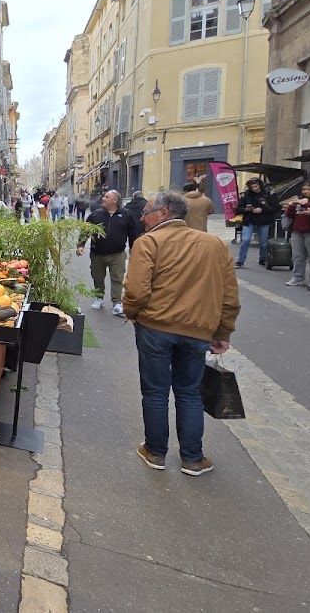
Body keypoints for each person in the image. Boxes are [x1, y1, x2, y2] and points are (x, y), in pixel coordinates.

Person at [124, 191, 238, 476]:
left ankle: (155, 451)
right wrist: (223, 331)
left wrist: (131, 313)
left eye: (147, 211)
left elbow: (136, 291)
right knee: (189, 394)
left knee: (155, 392)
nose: (141, 217)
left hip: (155, 328)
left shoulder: (148, 242)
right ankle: (192, 458)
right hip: (198, 331)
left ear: (163, 214)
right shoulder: (214, 245)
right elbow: (229, 295)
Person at [77, 190, 139, 316]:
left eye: (107, 197)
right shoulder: (95, 215)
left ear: (115, 200)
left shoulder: (126, 215)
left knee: (117, 278)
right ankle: (99, 298)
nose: (103, 198)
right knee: (97, 276)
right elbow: (86, 231)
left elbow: (132, 234)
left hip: (118, 254)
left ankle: (116, 303)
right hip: (97, 254)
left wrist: (134, 250)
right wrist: (80, 245)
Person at [283, 182, 310, 288]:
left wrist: (307, 203)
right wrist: (291, 206)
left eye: (309, 189)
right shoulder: (299, 199)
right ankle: (297, 277)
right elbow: (290, 215)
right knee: (297, 256)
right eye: (304, 189)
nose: (306, 192)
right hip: (297, 231)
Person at [234, 178, 279, 268]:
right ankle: (240, 260)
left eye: (256, 186)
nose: (254, 188)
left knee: (263, 242)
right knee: (245, 240)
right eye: (252, 187)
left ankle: (263, 258)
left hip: (263, 220)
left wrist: (262, 209)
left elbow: (275, 207)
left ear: (260, 185)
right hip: (249, 220)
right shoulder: (246, 195)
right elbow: (239, 208)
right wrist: (247, 209)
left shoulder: (268, 194)